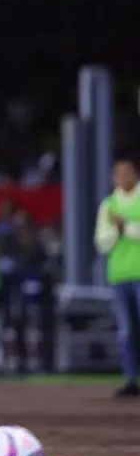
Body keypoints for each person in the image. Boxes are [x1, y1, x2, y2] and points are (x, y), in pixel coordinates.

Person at [94, 159, 140, 398]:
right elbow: (101, 243)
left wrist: (126, 227)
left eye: (126, 173)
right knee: (126, 330)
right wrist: (118, 230)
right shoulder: (109, 205)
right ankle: (130, 378)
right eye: (118, 174)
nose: (122, 178)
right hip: (119, 275)